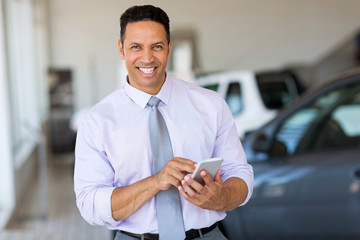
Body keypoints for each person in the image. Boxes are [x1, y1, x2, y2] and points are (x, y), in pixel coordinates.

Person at [74, 5, 254, 240]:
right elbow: (90, 204)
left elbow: (240, 175)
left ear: (169, 49)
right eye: (136, 47)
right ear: (121, 50)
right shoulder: (97, 121)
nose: (147, 58)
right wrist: (155, 182)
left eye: (156, 47)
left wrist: (221, 197)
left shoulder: (211, 105)